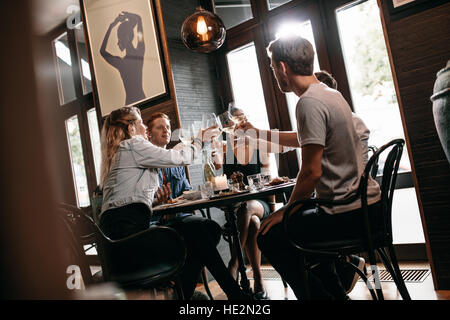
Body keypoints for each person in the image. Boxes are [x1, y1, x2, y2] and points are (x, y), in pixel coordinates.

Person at [238, 35, 381, 300]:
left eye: (272, 68)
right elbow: (304, 138)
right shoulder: (330, 94)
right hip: (363, 206)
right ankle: (336, 293)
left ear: (283, 67)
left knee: (269, 236)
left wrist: (286, 211)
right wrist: (259, 133)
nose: (273, 74)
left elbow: (311, 172)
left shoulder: (308, 103)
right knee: (296, 221)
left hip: (344, 214)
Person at [98, 106, 249, 300]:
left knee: (202, 233)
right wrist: (200, 139)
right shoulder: (133, 144)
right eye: (141, 123)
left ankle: (192, 296)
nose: (144, 127)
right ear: (131, 128)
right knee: (201, 233)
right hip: (132, 241)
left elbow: (126, 203)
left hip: (115, 246)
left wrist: (153, 201)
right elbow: (180, 158)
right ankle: (235, 297)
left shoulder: (119, 153)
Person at [211, 107, 279, 299]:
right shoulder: (227, 149)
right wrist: (213, 144)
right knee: (253, 223)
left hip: (260, 204)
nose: (239, 128)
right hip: (237, 210)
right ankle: (258, 278)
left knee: (250, 209)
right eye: (234, 125)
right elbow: (215, 165)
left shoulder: (260, 145)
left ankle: (234, 263)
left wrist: (272, 214)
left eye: (242, 123)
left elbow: (270, 183)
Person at [100, 11, 146, 105]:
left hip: (130, 104)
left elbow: (102, 51)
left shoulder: (121, 63)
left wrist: (111, 26)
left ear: (127, 37)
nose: (117, 42)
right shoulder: (139, 52)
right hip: (142, 100)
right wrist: (129, 16)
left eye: (119, 38)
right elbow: (138, 19)